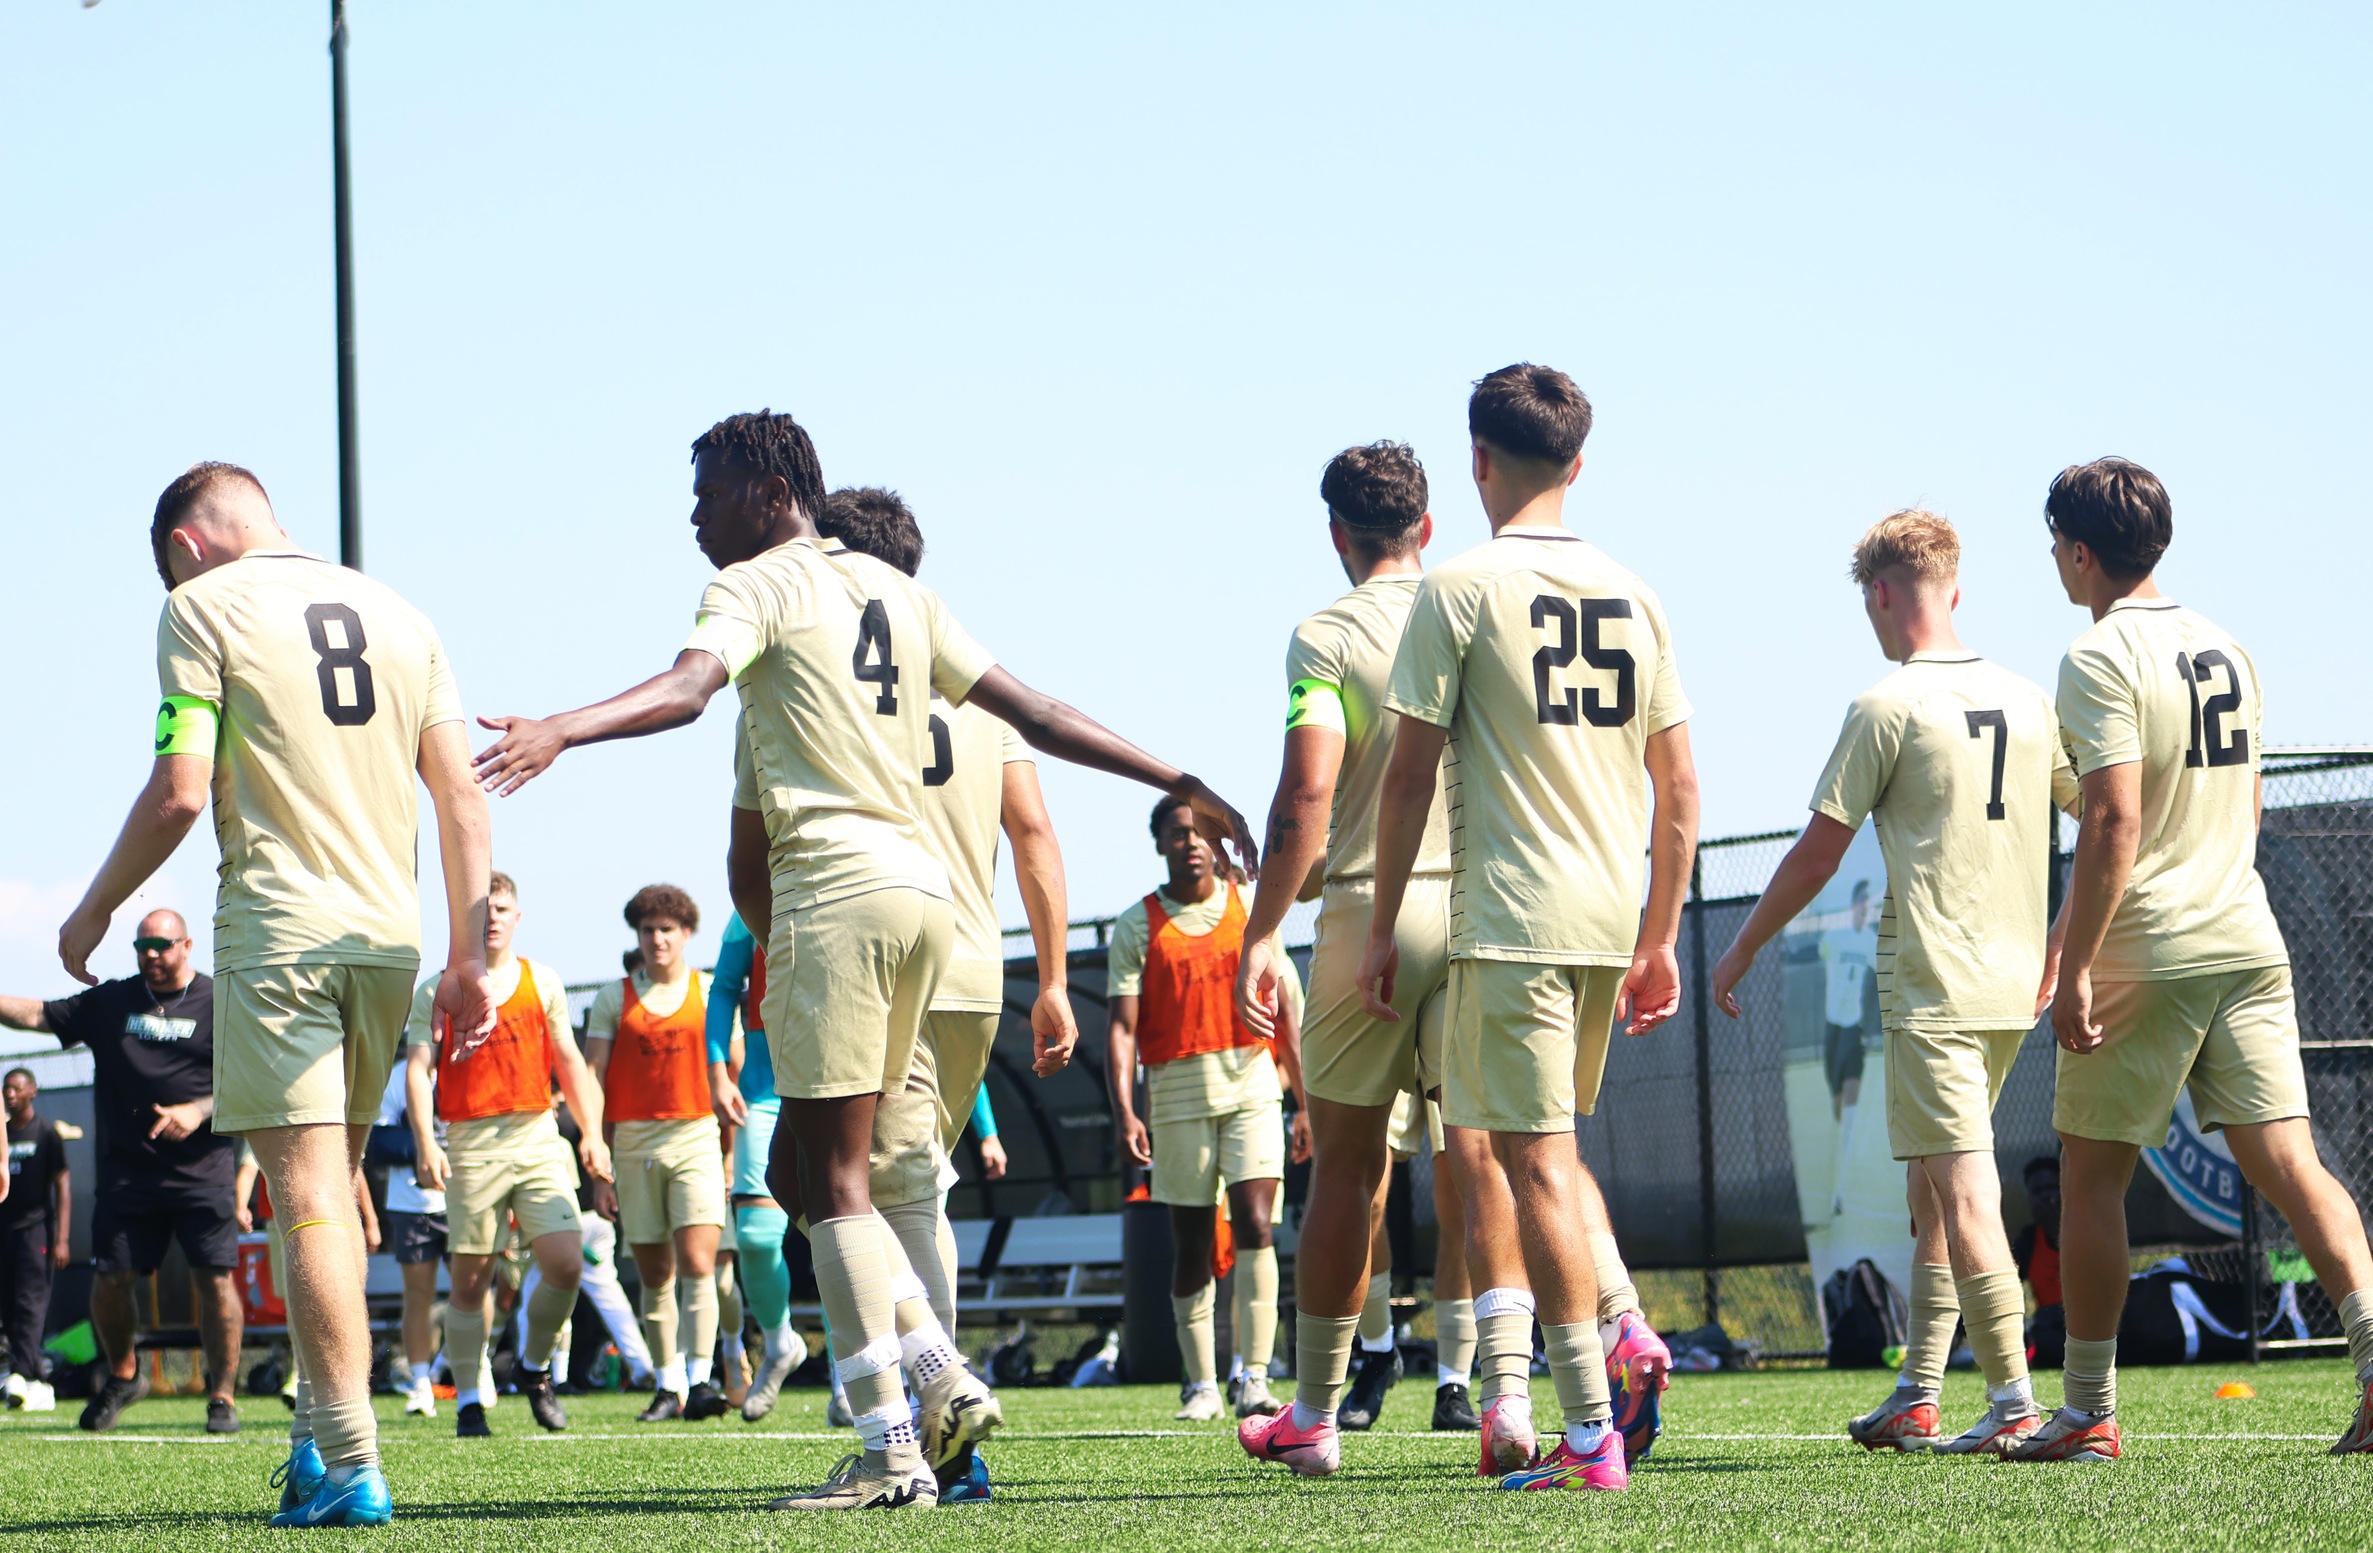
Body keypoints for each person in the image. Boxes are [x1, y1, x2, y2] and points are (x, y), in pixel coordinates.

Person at [473, 408, 1256, 1512]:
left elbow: (691, 688)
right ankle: (939, 1370)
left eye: (705, 488)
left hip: (837, 894)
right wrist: (1182, 776)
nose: (694, 514)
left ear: (765, 482)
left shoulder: (756, 586)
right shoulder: (903, 593)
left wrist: (562, 725)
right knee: (810, 1170)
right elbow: (1039, 708)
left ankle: (896, 1447)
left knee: (836, 1179)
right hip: (931, 902)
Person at [51, 463, 494, 1525]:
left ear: (190, 543)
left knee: (302, 1198)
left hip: (282, 933)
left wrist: (96, 909)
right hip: (389, 939)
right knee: (331, 1186)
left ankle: (349, 1458)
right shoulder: (401, 612)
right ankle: (309, 1445)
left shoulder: (198, 605)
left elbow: (178, 788)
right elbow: (463, 793)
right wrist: (472, 951)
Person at [1357, 365, 1699, 1494]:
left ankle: (1591, 1430)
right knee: (1543, 1151)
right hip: (1606, 912)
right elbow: (1680, 785)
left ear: (1477, 460)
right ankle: (1612, 1346)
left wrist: (1377, 921)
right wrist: (1658, 935)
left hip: (1512, 908)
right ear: (1582, 462)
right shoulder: (1636, 590)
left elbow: (1408, 775)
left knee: (1531, 1159)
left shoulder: (1458, 587)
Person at [2012, 457, 2373, 1461]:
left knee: (2090, 1176)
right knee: (2293, 1162)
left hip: (2151, 944)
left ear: (2080, 551)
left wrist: (2075, 960)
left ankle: (2086, 1410)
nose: (2052, 559)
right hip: (2246, 932)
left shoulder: (2097, 654)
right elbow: (2247, 804)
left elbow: (2114, 817)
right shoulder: (2227, 644)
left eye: (2053, 543)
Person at [1711, 510, 2078, 1456]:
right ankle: (1917, 1390)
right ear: (1953, 588)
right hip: (2008, 983)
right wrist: (2063, 943)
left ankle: (2011, 1405)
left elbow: (1815, 854)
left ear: (1879, 593)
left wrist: (1740, 946)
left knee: (1961, 1197)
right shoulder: (2029, 697)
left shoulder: (1886, 704)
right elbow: (2109, 811)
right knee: (1929, 1189)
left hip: (1934, 981)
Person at [797, 484, 1080, 1503]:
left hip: (879, 956)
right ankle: (930, 1409)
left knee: (886, 1188)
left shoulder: (832, 673)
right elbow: (1035, 832)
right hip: (973, 965)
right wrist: (1050, 976)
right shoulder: (968, 672)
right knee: (911, 1182)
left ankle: (928, 1427)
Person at [1231, 439, 1455, 1474]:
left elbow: (1306, 797)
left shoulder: (1324, 635)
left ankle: (1314, 1414)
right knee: (1496, 1159)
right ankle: (1505, 1393)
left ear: (1336, 535)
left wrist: (1264, 926)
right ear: (1429, 526)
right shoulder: (1476, 607)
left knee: (1347, 1169)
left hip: (1372, 906)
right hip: (1492, 912)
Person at [0, 909, 243, 1435]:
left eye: (161, 944)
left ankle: (221, 1394)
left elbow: (253, 1079)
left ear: (187, 944)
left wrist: (197, 1111)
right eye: (142, 946)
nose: (151, 955)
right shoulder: (112, 1001)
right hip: (128, 1174)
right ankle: (124, 1374)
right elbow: (38, 1014)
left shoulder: (221, 1002)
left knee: (215, 1282)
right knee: (110, 1282)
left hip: (203, 1170)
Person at [1110, 796, 1304, 1423]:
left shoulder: (1251, 905)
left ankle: (1254, 1376)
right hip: (1175, 1096)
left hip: (1251, 1087)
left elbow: (1287, 1010)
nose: (1189, 842)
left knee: (1255, 1225)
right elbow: (1120, 1029)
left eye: (1198, 832)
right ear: (1160, 844)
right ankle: (1200, 1384)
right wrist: (1125, 1110)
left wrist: (1303, 1101)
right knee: (1191, 1244)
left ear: (1216, 842)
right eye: (1176, 833)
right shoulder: (1136, 925)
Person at [408, 870, 612, 1437]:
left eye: (501, 908)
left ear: (517, 917)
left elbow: (570, 1061)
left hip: (538, 1135)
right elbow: (419, 1071)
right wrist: (427, 1140)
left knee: (567, 1265)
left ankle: (534, 1368)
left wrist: (591, 1132)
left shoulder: (541, 980)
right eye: (481, 910)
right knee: (470, 1282)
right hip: (470, 1144)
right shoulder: (438, 988)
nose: (491, 918)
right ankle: (470, 1398)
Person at [584, 884, 731, 1423]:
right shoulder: (611, 997)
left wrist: (733, 1153)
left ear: (687, 933)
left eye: (667, 929)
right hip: (632, 1143)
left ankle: (701, 1379)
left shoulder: (711, 992)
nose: (657, 939)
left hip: (696, 1136)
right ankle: (668, 1383)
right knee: (653, 1272)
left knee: (699, 1263)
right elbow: (591, 1078)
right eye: (648, 930)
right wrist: (595, 1150)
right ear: (637, 936)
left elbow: (730, 1076)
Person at [372, 1034, 446, 1420]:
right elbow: (379, 1140)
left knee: (478, 1288)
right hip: (412, 1202)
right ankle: (420, 1383)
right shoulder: (397, 1077)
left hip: (468, 1195)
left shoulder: (462, 1069)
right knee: (418, 1295)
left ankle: (473, 1366)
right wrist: (427, 1148)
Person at [2, 1067, 69, 1412]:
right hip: (4, 1232)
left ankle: (23, 1375)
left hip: (35, 1230)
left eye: (16, 1088)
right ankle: (35, 1378)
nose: (9, 1094)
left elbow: (62, 1185)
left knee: (30, 1302)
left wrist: (62, 1238)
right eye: (5, 1089)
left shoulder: (45, 1134)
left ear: (32, 1092)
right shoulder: (1, 1134)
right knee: (9, 1306)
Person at [2012, 1156, 2065, 1369]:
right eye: (2037, 1191)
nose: (2045, 1197)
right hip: (2051, 1335)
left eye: (2052, 1188)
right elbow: (2002, 1288)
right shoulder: (2028, 1241)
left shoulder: (2088, 1233)